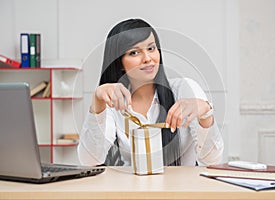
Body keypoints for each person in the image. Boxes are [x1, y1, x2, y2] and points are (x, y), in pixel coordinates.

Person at [78, 18, 224, 166]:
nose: (147, 58)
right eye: (134, 52)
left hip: (182, 188)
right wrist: (97, 103)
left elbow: (212, 160)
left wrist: (205, 113)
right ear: (119, 62)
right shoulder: (113, 102)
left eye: (151, 48)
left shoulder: (185, 89)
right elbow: (89, 160)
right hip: (131, 188)